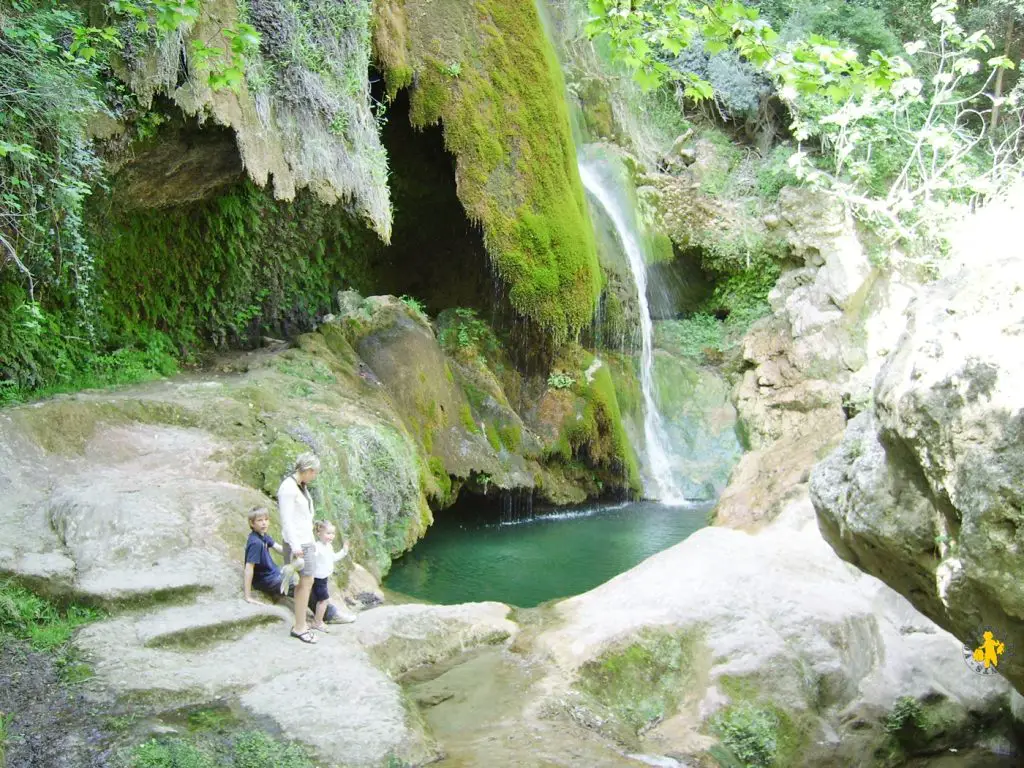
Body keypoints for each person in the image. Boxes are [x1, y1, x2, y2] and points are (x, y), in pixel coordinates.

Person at [278, 452, 321, 644]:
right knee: (305, 583)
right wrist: (295, 546)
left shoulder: (300, 486)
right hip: (298, 544)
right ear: (308, 470)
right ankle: (300, 627)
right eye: (314, 473)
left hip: (305, 541)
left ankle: (300, 623)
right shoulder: (288, 488)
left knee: (306, 583)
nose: (315, 477)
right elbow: (286, 521)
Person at [310, 520, 356, 631]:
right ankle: (318, 622)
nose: (331, 536)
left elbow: (333, 558)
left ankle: (318, 620)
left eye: (332, 534)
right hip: (318, 578)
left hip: (324, 577)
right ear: (319, 533)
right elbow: (312, 557)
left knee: (321, 600)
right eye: (328, 533)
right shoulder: (317, 546)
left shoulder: (329, 546)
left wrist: (344, 551)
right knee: (323, 600)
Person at [242, 507, 284, 602]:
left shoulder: (263, 535)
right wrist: (248, 596)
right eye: (260, 520)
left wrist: (295, 553)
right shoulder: (255, 543)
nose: (264, 523)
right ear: (252, 523)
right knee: (301, 581)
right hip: (266, 581)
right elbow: (249, 568)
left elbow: (278, 548)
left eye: (266, 519)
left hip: (272, 574)